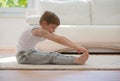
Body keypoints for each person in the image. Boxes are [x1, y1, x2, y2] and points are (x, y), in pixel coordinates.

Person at [16, 11, 89, 65]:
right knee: (50, 57)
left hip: (31, 52)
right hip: (23, 56)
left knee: (53, 53)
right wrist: (77, 47)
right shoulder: (39, 31)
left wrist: (78, 47)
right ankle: (75, 60)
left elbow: (60, 37)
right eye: (52, 27)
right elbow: (58, 39)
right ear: (44, 23)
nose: (53, 30)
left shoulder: (43, 30)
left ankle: (75, 59)